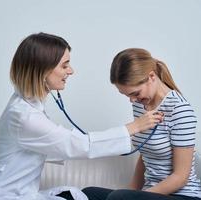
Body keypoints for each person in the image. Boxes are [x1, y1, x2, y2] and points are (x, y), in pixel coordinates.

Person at [0, 34, 163, 200]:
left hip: (20, 194)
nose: (71, 71)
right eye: (64, 65)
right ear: (43, 69)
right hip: (3, 196)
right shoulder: (24, 116)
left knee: (81, 195)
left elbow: (56, 144)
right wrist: (133, 128)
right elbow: (79, 144)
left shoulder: (27, 104)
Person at [82, 48, 201, 200]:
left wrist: (135, 196)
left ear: (151, 76)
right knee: (87, 193)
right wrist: (133, 191)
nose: (132, 100)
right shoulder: (141, 104)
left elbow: (180, 177)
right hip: (149, 193)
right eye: (127, 95)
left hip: (183, 196)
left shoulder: (180, 110)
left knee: (119, 197)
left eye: (135, 93)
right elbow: (145, 154)